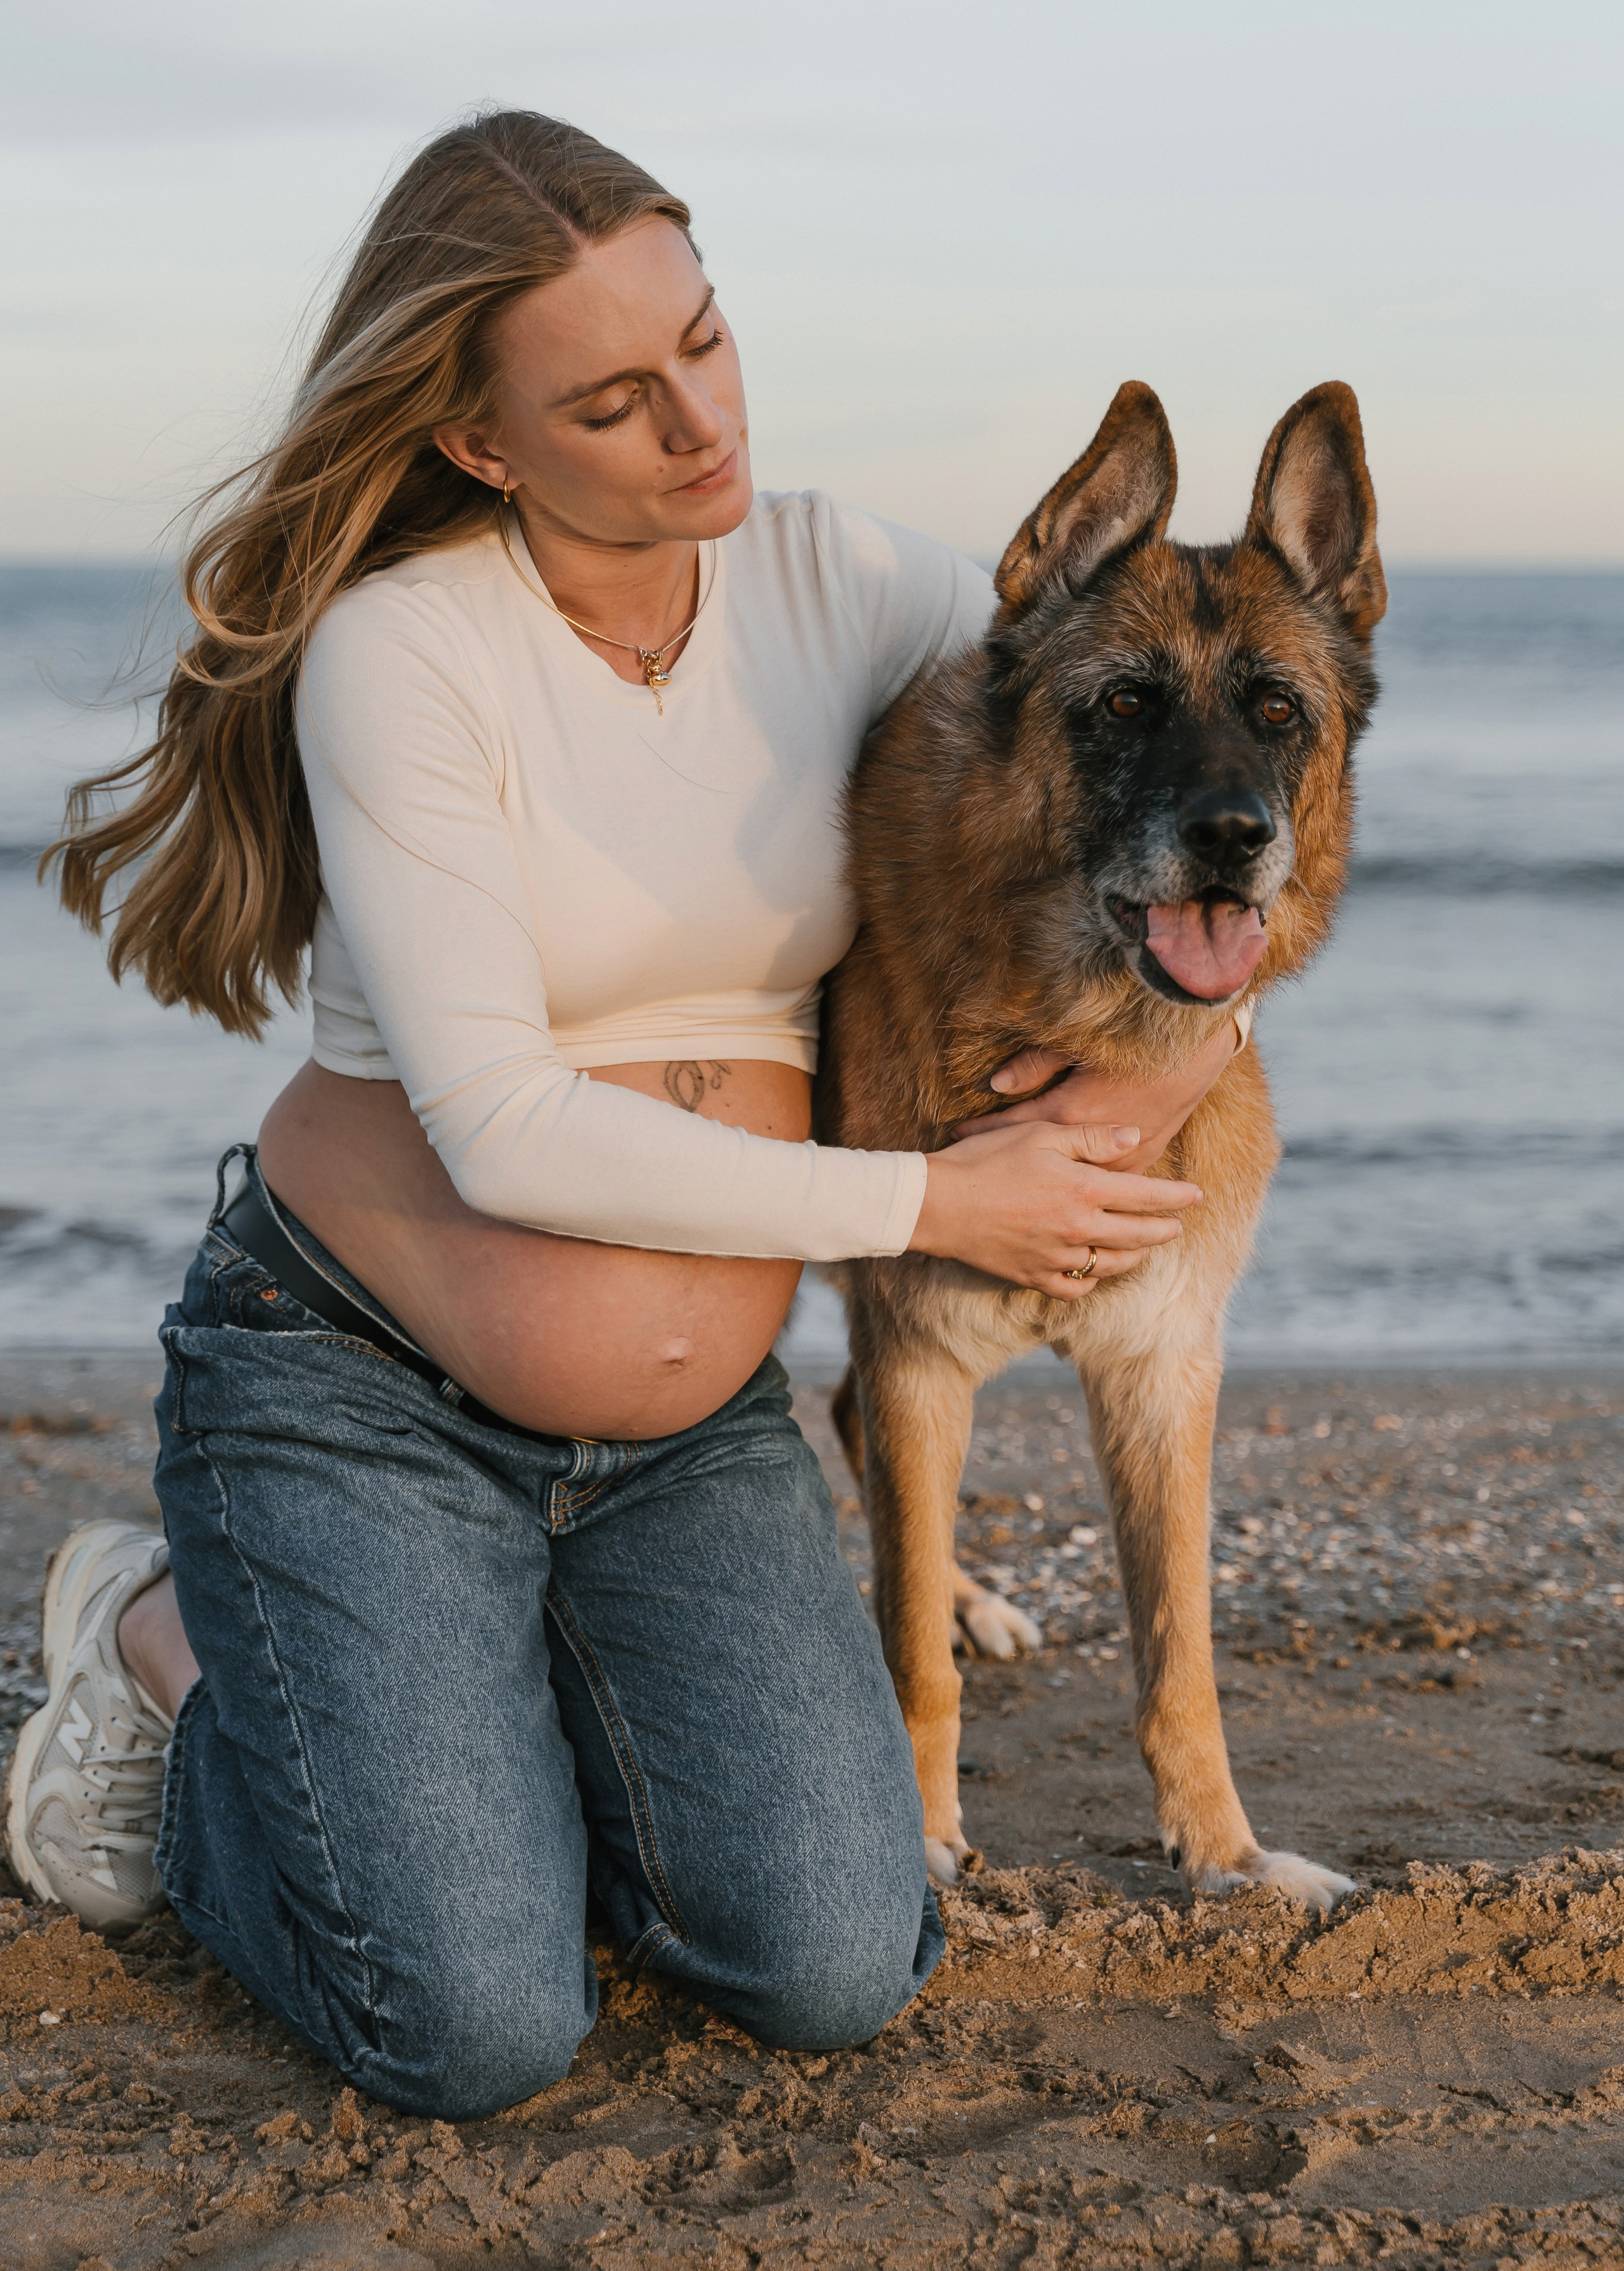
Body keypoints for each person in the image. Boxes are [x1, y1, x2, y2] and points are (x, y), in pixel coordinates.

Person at [4, 112, 1233, 2119]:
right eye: (612, 398)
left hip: (681, 1446)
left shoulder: (849, 581)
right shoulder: (407, 649)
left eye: (710, 340)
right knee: (470, 2025)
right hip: (362, 1389)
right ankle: (166, 1645)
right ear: (485, 443)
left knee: (837, 1960)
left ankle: (470, 1694)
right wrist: (938, 1197)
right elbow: (498, 1126)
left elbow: (1178, 789)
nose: (699, 426)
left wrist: (1154, 1065)